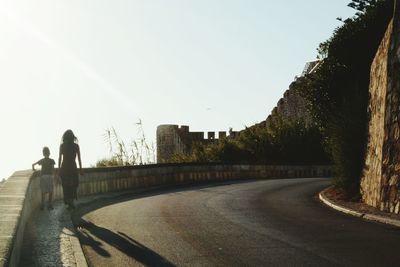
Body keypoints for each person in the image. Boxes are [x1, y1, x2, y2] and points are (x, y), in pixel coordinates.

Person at [58, 129, 82, 209]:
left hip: (64, 167)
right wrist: (81, 169)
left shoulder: (62, 146)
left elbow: (59, 159)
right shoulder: (76, 146)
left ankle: (69, 202)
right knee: (73, 185)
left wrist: (58, 169)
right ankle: (71, 202)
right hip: (72, 167)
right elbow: (79, 159)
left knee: (66, 186)